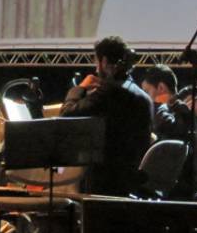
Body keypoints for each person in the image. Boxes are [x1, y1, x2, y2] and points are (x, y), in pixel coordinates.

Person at [60, 35, 153, 197]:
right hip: (131, 181)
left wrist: (80, 88)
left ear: (103, 61)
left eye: (96, 63)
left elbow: (66, 114)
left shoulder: (110, 93)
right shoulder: (143, 96)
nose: (96, 69)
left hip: (105, 185)